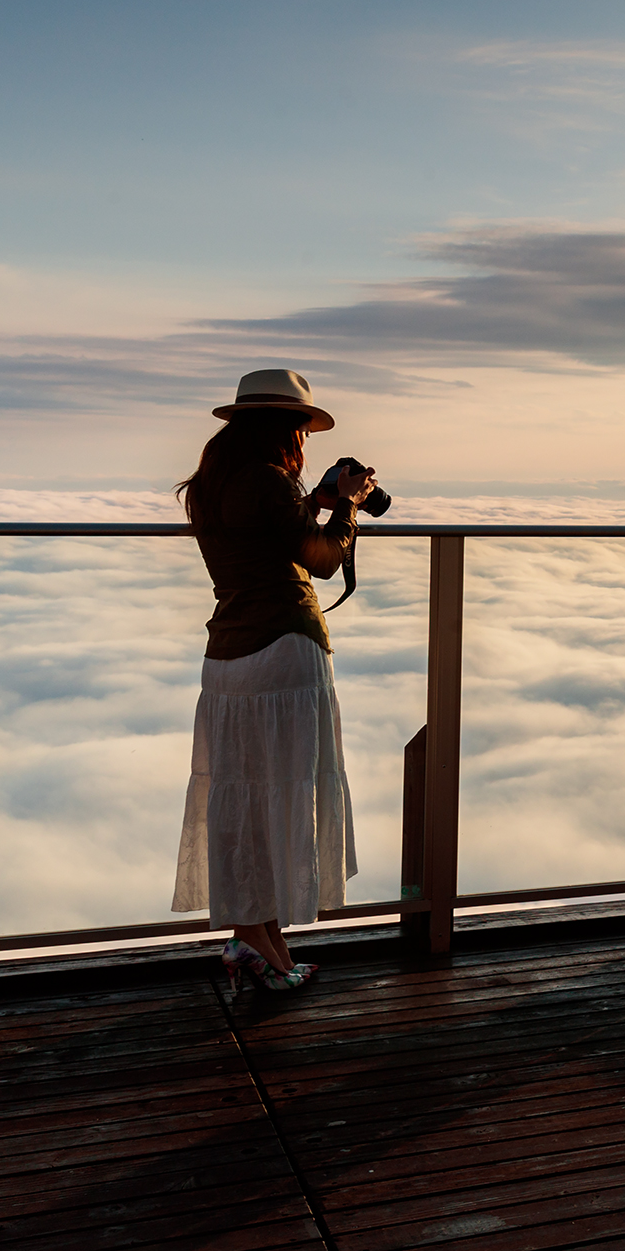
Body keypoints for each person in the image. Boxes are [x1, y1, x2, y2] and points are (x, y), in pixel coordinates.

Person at [170, 369, 375, 993]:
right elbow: (318, 557)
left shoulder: (210, 485)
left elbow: (259, 529)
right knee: (280, 794)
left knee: (243, 801)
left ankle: (257, 940)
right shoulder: (269, 481)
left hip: (228, 658)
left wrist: (307, 500)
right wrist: (347, 506)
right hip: (285, 650)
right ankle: (257, 943)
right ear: (286, 431)